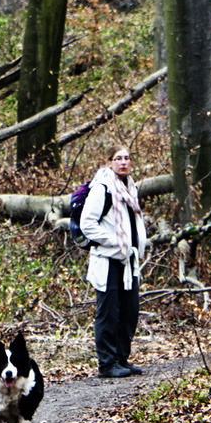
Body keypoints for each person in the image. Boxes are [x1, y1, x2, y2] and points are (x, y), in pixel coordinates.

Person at [79, 144, 149, 378]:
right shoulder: (102, 189)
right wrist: (115, 241)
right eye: (118, 158)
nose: (123, 162)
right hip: (107, 258)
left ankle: (121, 359)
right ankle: (107, 364)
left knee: (129, 311)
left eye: (127, 158)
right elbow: (87, 224)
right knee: (108, 312)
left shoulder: (130, 187)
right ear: (109, 162)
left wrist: (136, 246)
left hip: (128, 260)